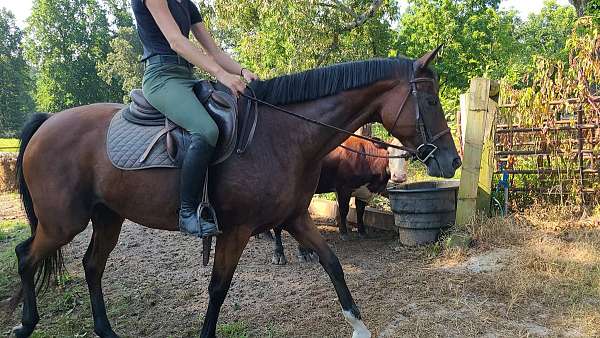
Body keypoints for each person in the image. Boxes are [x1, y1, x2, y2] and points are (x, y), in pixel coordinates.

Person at [132, 0, 259, 237]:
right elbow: (176, 41)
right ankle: (187, 212)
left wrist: (242, 71)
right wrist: (222, 75)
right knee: (205, 130)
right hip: (161, 77)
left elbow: (215, 51)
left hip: (187, 77)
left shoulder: (187, 5)